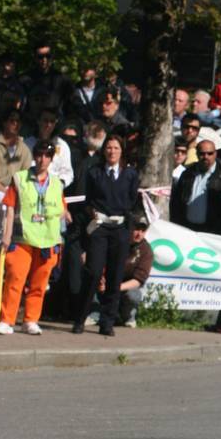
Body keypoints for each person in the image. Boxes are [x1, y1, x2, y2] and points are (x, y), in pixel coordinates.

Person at [0, 140, 68, 335]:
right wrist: (7, 235)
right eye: (39, 155)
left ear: (51, 159)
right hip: (22, 238)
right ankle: (7, 320)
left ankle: (31, 320)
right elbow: (10, 207)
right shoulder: (20, 179)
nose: (42, 160)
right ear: (35, 156)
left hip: (47, 240)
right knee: (15, 279)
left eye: (47, 156)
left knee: (39, 283)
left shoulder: (56, 184)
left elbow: (62, 210)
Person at [73, 134, 140, 336]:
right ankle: (80, 318)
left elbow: (132, 200)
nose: (112, 151)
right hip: (100, 227)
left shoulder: (130, 174)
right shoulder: (95, 172)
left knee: (115, 275)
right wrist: (91, 213)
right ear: (104, 150)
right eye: (109, 147)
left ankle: (107, 322)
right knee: (93, 272)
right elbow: (87, 200)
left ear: (122, 151)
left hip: (120, 229)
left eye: (116, 148)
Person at [170, 139, 221, 233]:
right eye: (202, 153)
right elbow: (177, 201)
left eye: (209, 153)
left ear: (215, 154)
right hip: (187, 228)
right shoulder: (187, 173)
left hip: (212, 230)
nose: (206, 157)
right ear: (197, 154)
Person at [118, 216, 154, 328]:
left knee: (133, 295)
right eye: (137, 229)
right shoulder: (117, 241)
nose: (139, 234)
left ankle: (129, 317)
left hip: (125, 286)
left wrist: (116, 287)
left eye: (143, 231)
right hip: (108, 280)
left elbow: (139, 280)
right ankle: (95, 313)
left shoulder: (146, 250)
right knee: (93, 278)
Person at [0, 109, 33, 192]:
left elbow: (26, 177)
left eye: (18, 121)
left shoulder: (25, 149)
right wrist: (6, 193)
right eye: (12, 120)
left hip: (16, 191)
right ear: (4, 122)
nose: (16, 124)